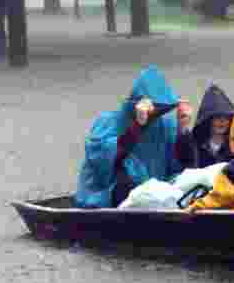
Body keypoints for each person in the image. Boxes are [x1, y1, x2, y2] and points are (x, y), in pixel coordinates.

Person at [74, 65, 194, 208]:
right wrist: (138, 125)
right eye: (154, 108)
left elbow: (184, 167)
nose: (155, 114)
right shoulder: (109, 121)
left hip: (156, 200)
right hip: (108, 197)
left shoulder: (166, 125)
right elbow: (104, 161)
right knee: (126, 185)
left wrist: (183, 129)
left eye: (161, 109)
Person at [190, 83, 234, 168]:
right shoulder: (196, 146)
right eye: (217, 117)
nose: (222, 121)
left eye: (226, 117)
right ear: (208, 120)